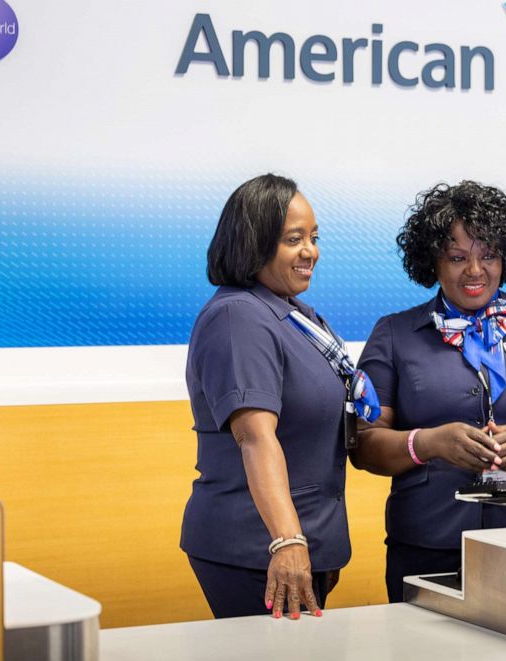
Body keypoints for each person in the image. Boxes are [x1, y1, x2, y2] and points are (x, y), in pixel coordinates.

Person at [354, 180, 506, 602]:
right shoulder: (394, 334)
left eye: (488, 255)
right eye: (457, 258)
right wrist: (428, 443)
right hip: (428, 545)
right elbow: (364, 446)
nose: (475, 271)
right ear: (433, 263)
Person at [180, 174, 379, 619]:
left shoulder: (295, 316)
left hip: (305, 544)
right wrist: (289, 542)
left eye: (313, 237)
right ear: (254, 242)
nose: (311, 251)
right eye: (294, 239)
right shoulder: (238, 317)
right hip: (257, 549)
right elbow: (255, 437)